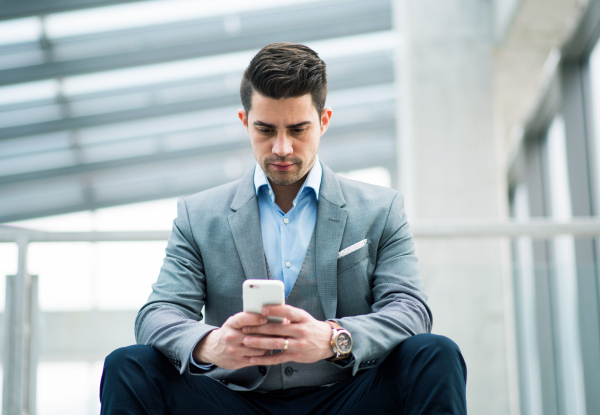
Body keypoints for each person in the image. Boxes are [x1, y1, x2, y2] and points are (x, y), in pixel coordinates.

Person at [100, 42, 467, 414]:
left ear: (323, 121)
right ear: (245, 122)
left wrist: (333, 339)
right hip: (235, 402)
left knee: (435, 354)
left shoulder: (380, 209)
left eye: (298, 129)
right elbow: (157, 313)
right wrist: (209, 345)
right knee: (128, 366)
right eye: (265, 129)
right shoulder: (198, 215)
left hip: (347, 398)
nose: (281, 147)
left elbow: (410, 310)